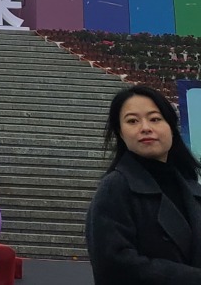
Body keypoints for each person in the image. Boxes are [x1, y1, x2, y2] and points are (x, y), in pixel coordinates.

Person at [85, 84, 201, 283]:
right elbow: (114, 265)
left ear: (171, 128)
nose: (146, 128)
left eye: (155, 119)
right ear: (121, 133)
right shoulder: (115, 188)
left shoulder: (192, 188)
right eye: (132, 121)